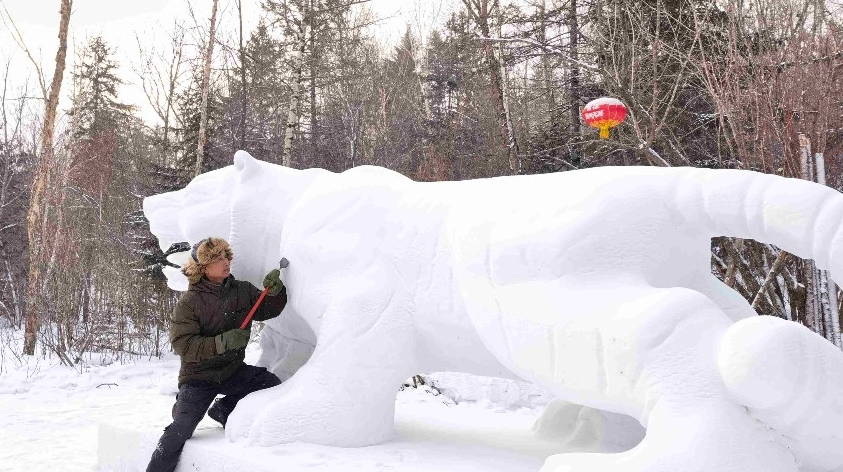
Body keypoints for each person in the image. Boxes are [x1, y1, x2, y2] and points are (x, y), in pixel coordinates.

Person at [146, 237, 287, 472]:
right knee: (182, 428)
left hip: (232, 371)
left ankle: (222, 409)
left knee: (270, 384)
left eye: (226, 256)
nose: (225, 262)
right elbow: (183, 345)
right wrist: (222, 342)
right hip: (198, 378)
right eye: (217, 259)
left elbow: (266, 310)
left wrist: (276, 292)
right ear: (202, 267)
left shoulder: (241, 290)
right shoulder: (190, 302)